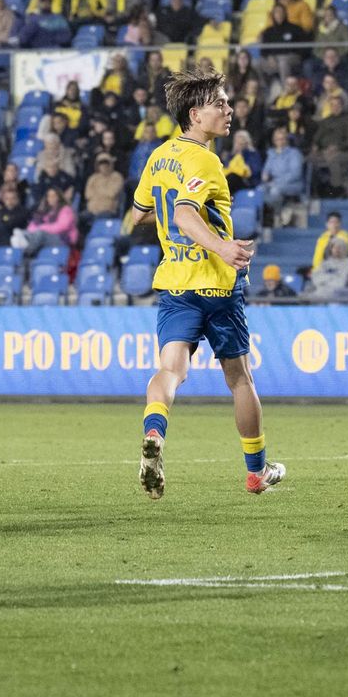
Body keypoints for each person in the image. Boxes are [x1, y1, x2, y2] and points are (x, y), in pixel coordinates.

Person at [132, 66, 284, 500]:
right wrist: (221, 248)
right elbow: (183, 213)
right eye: (219, 103)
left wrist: (172, 223)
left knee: (170, 370)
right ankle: (257, 472)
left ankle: (155, 434)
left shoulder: (159, 157)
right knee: (239, 378)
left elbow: (141, 212)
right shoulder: (205, 159)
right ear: (195, 115)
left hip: (175, 283)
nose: (229, 110)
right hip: (216, 287)